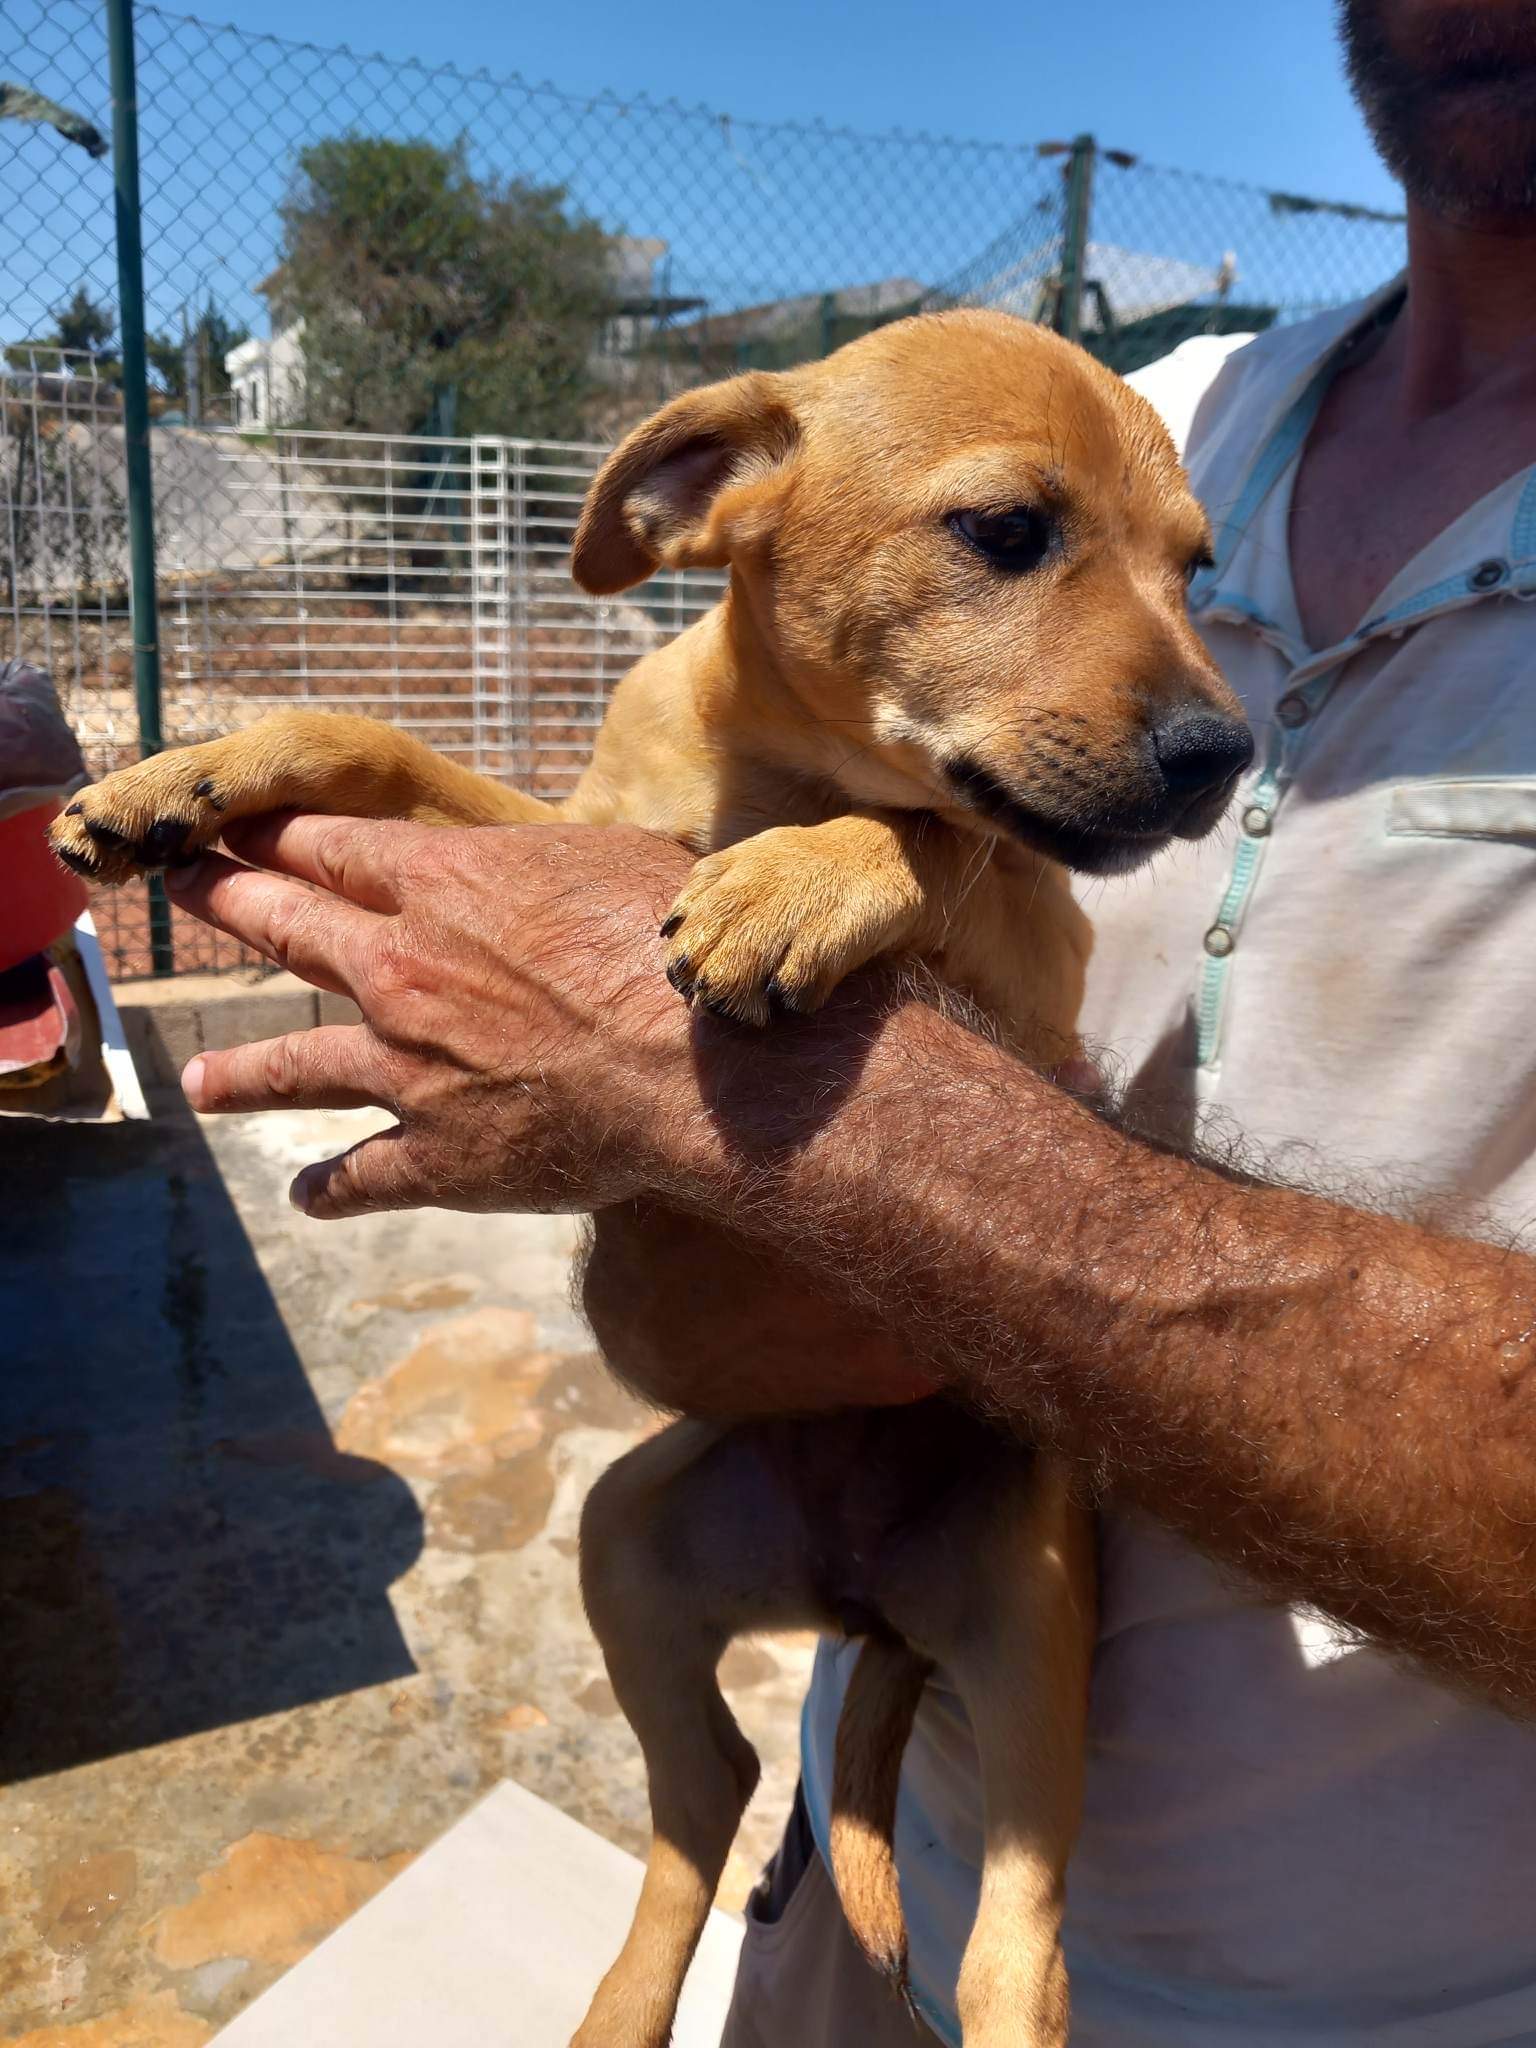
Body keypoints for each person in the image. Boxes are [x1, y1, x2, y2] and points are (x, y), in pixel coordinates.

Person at [164, 1, 1536, 2038]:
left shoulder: (1050, 541)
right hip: (854, 1854)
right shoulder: (1151, 410)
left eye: (1171, 580)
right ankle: (697, 1873)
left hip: (1364, 1985)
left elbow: (734, 1018)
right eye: (1012, 541)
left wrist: (765, 1096)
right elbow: (603, 957)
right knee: (641, 1542)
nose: (1193, 702)